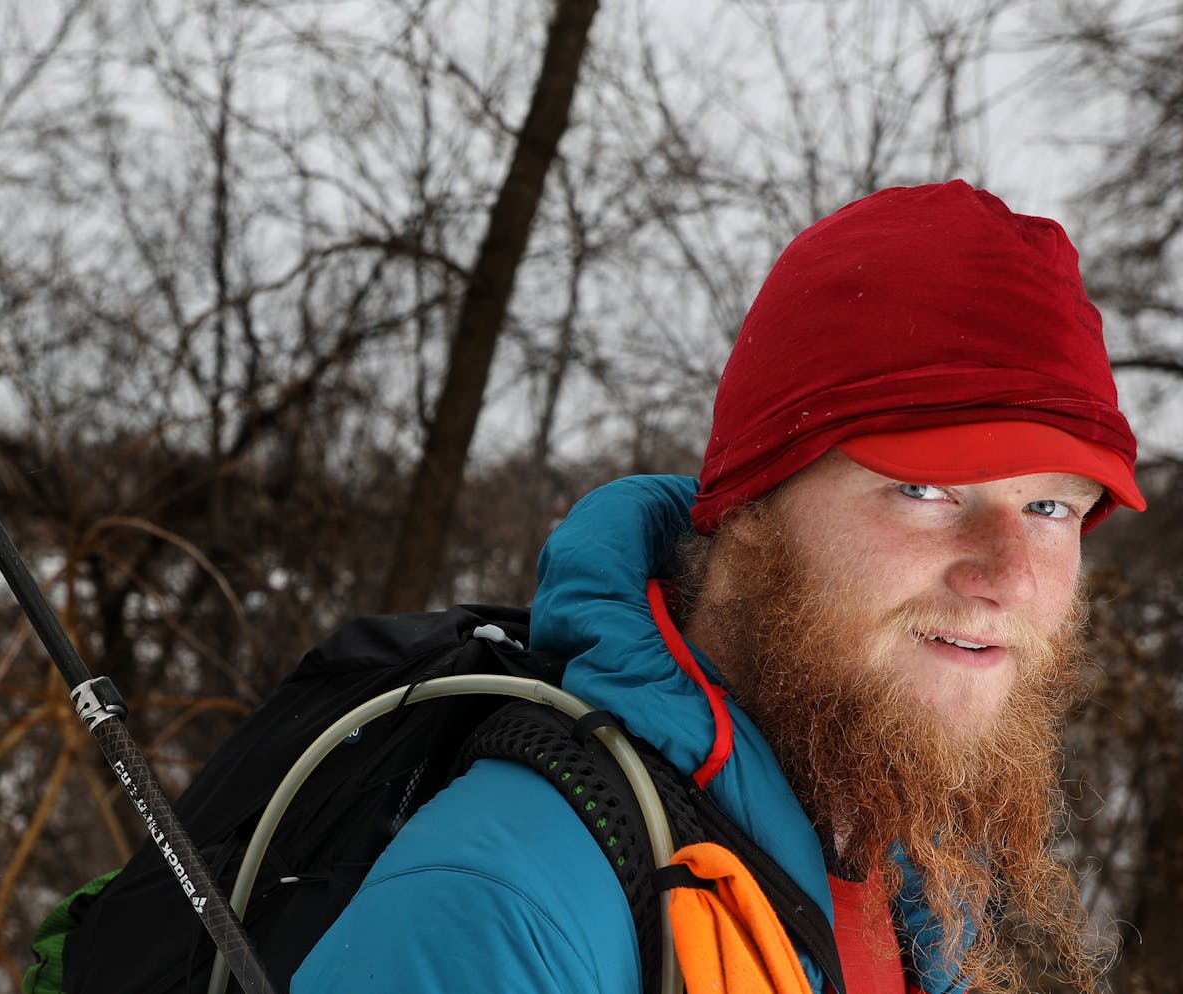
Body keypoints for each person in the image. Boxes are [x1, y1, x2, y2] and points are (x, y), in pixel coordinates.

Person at [290, 179, 1147, 994]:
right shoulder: (506, 909)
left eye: (1048, 505)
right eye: (925, 491)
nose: (1006, 577)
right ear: (750, 508)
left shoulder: (909, 874)